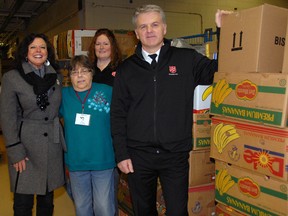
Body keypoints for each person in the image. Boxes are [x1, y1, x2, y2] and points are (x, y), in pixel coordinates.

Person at [111, 4, 228, 216]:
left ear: (164, 28)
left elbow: (219, 71)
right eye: (143, 26)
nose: (149, 30)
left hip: (175, 155)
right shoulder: (126, 69)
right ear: (136, 33)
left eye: (155, 24)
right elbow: (118, 114)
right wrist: (121, 154)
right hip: (138, 156)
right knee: (143, 211)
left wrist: (224, 31)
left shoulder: (186, 59)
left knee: (177, 211)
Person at [0, 33, 65, 216]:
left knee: (47, 200)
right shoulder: (12, 77)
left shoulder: (56, 76)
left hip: (51, 145)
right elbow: (7, 116)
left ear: (48, 51)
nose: (38, 51)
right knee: (23, 201)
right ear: (25, 52)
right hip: (25, 146)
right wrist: (14, 150)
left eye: (42, 47)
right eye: (33, 47)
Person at [60, 55, 116, 216]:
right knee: (82, 208)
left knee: (104, 208)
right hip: (77, 161)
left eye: (84, 71)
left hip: (103, 159)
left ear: (92, 73)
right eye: (74, 72)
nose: (79, 76)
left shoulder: (107, 91)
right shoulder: (63, 95)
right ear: (69, 76)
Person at [87, 28, 123, 214]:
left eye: (105, 43)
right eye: (98, 43)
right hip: (90, 133)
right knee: (87, 194)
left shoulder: (121, 71)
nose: (101, 47)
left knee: (107, 193)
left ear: (113, 47)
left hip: (112, 133)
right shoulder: (88, 71)